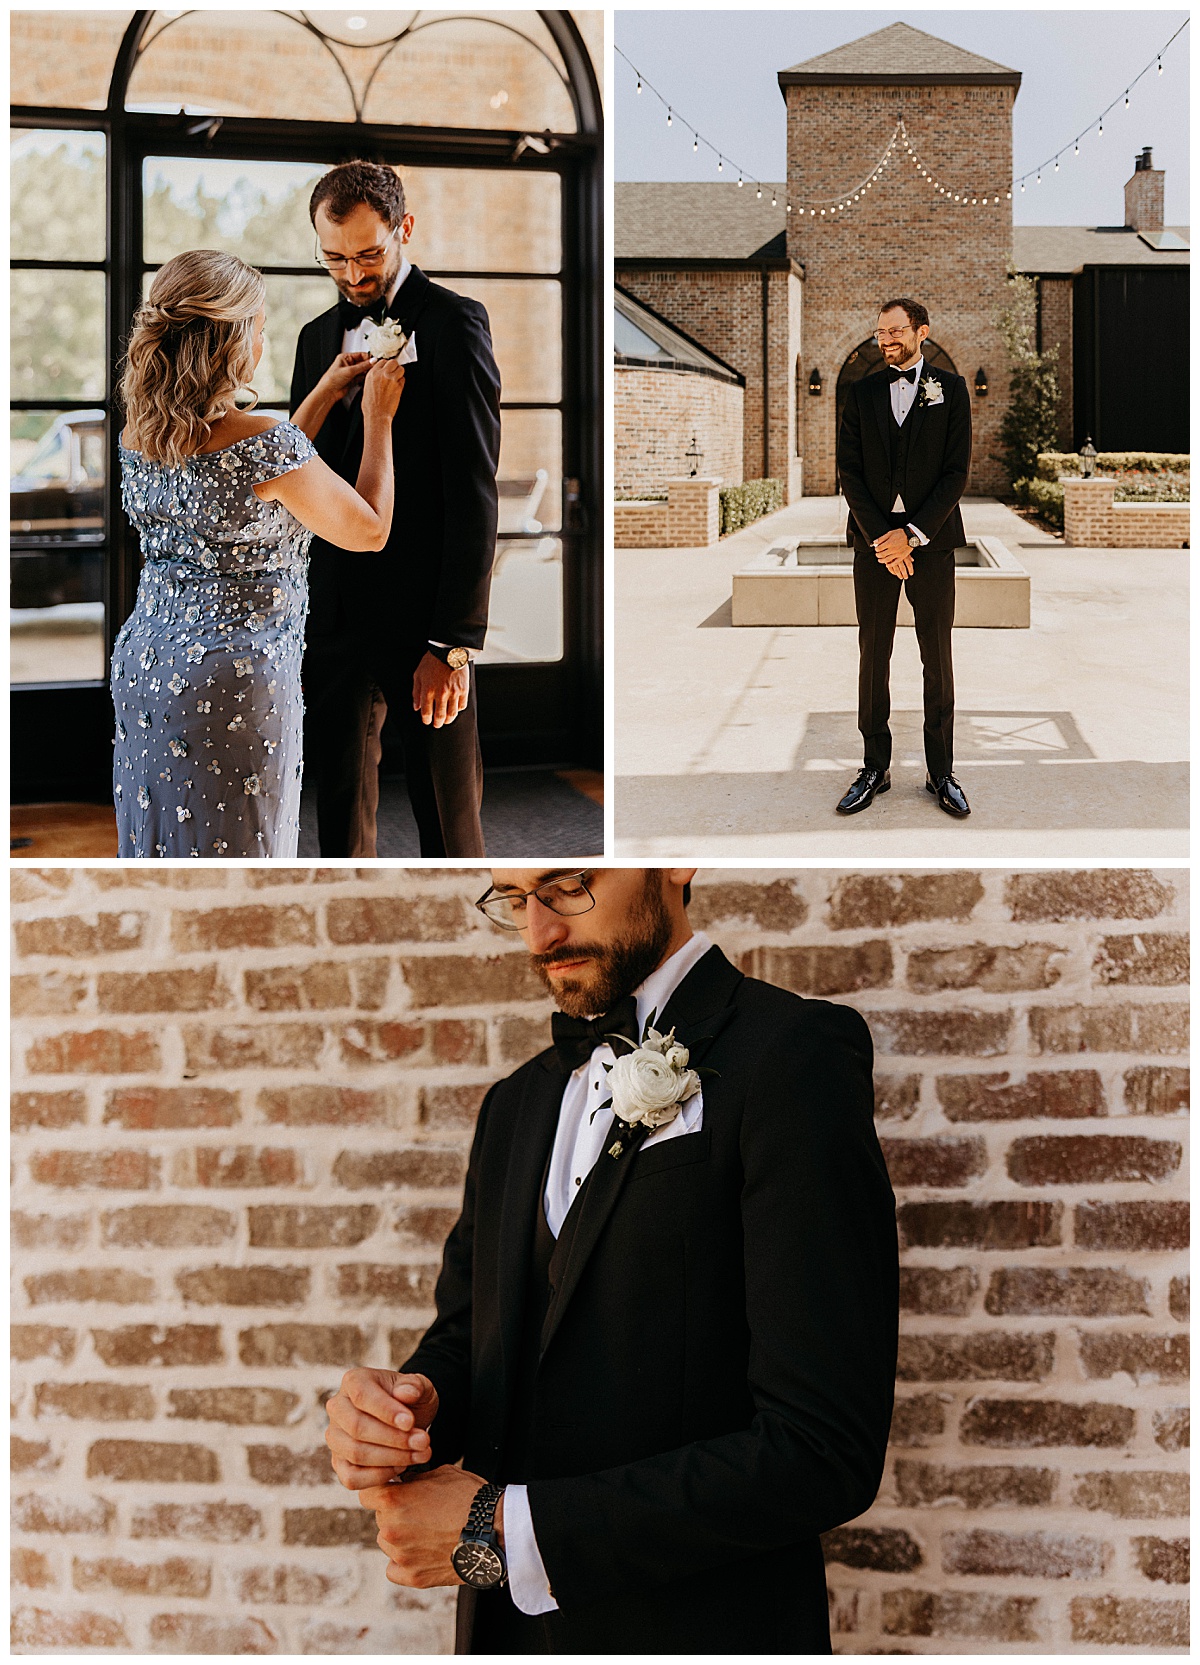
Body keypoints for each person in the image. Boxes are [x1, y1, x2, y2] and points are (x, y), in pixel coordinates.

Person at [324, 868, 899, 1654]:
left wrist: (508, 1531)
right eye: (515, 899)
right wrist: (408, 1406)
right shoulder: (513, 1103)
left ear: (674, 860)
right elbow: (471, 1335)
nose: (539, 933)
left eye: (567, 885)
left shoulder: (793, 1054)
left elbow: (824, 1448)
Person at [111, 248, 405, 858]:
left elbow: (264, 476)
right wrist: (379, 418)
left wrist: (323, 390)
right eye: (261, 329)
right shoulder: (261, 441)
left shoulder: (141, 434)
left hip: (147, 665)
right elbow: (369, 529)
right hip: (232, 686)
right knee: (240, 850)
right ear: (233, 341)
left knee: (167, 846)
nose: (265, 341)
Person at [291, 161, 502, 858]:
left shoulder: (456, 325)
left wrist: (453, 640)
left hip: (424, 626)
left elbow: (474, 490)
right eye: (334, 258)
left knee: (449, 827)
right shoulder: (314, 338)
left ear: (404, 229)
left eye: (368, 254)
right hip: (333, 620)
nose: (353, 275)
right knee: (340, 826)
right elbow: (299, 471)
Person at [835, 296, 973, 820]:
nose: (886, 340)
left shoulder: (951, 389)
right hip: (873, 544)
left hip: (931, 542)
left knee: (936, 657)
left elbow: (956, 472)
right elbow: (848, 471)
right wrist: (882, 539)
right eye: (880, 333)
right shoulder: (861, 391)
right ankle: (875, 767)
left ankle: (942, 771)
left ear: (922, 332)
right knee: (874, 655)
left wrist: (911, 534)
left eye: (895, 331)